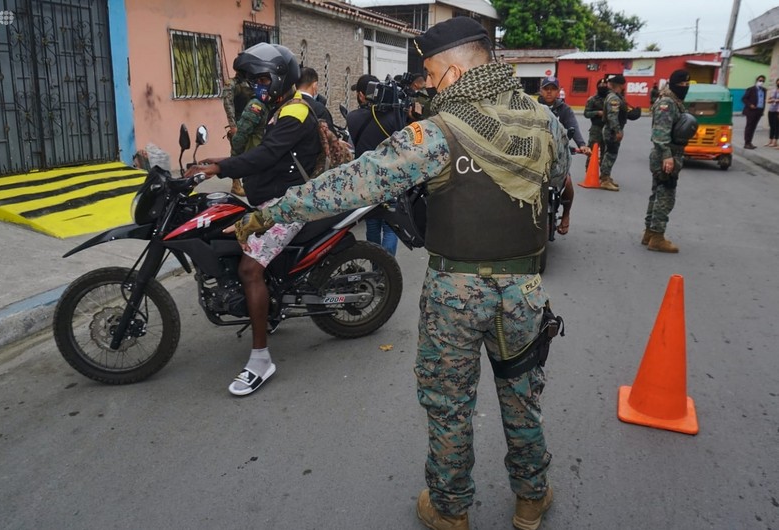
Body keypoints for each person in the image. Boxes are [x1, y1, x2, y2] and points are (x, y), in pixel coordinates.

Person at [230, 16, 570, 530]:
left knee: (449, 402)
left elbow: (352, 184)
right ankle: (531, 498)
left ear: (454, 75)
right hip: (522, 290)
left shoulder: (435, 133)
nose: (428, 85)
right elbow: (560, 179)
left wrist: (273, 211)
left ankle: (451, 510)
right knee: (522, 394)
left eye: (432, 74)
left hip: (454, 292)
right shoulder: (544, 120)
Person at [186, 42, 321, 396]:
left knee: (249, 269)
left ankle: (261, 359)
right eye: (253, 79)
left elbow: (266, 155)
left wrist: (218, 166)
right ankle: (269, 307)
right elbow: (251, 147)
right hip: (269, 199)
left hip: (290, 204)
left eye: (263, 78)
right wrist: (213, 163)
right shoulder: (273, 107)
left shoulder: (295, 112)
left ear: (281, 77)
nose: (257, 86)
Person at [346, 74, 407, 255]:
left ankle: (376, 268)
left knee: (372, 226)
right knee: (390, 227)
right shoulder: (394, 116)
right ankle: (387, 270)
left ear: (362, 95)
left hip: (366, 181)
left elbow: (351, 147)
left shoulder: (352, 118)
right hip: (391, 179)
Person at [643, 69, 692, 253]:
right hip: (666, 155)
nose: (685, 88)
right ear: (673, 85)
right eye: (682, 85)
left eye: (687, 86)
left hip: (667, 155)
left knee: (657, 194)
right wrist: (667, 156)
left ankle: (649, 232)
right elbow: (660, 133)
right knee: (665, 196)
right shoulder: (667, 103)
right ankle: (657, 237)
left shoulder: (672, 101)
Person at [538, 76, 587, 235]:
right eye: (546, 88)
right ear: (541, 90)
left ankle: (566, 215)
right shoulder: (532, 106)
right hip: (536, 155)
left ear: (558, 91)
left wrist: (582, 145)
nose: (549, 92)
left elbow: (573, 127)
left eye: (553, 89)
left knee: (568, 182)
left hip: (558, 156)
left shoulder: (564, 109)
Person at [599, 74, 628, 191]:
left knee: (609, 153)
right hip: (611, 130)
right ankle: (605, 180)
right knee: (610, 154)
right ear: (620, 85)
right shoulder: (614, 98)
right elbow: (612, 116)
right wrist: (617, 131)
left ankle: (606, 176)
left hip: (611, 129)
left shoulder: (615, 96)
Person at [584, 77, 609, 164]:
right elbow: (586, 113)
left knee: (605, 152)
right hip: (596, 128)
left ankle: (604, 174)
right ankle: (589, 171)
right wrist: (597, 113)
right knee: (591, 150)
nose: (603, 86)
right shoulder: (592, 99)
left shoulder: (611, 99)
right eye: (601, 85)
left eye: (604, 85)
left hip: (609, 128)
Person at [742, 75, 767, 149]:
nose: (761, 82)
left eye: (762, 81)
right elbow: (744, 99)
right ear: (756, 80)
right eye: (760, 80)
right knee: (749, 127)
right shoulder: (751, 89)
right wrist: (750, 105)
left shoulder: (764, 90)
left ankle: (750, 142)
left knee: (753, 127)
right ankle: (747, 143)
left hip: (759, 111)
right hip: (751, 111)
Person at [765, 78, 779, 148]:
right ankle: (770, 141)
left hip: (777, 111)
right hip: (771, 110)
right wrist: (771, 100)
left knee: (777, 126)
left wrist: (777, 100)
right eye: (777, 82)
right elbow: (768, 100)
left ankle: (775, 142)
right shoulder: (774, 90)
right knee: (772, 126)